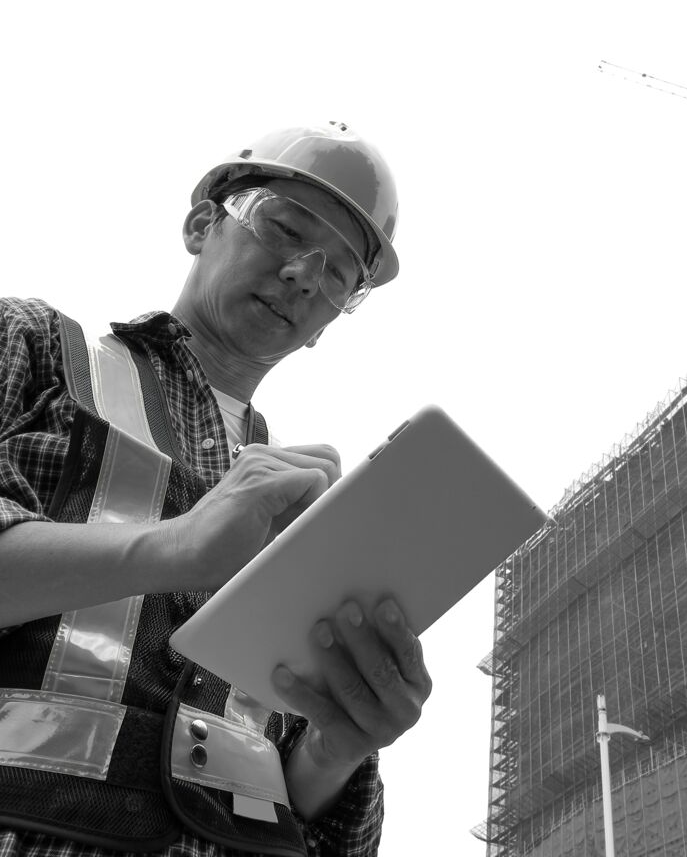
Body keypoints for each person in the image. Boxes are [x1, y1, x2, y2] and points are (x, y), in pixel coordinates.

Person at [0, 124, 432, 857]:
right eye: (284, 227)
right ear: (202, 225)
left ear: (331, 321)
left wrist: (337, 748)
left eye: (336, 274)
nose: (302, 273)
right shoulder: (37, 345)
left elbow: (322, 830)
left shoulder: (309, 514)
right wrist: (174, 547)